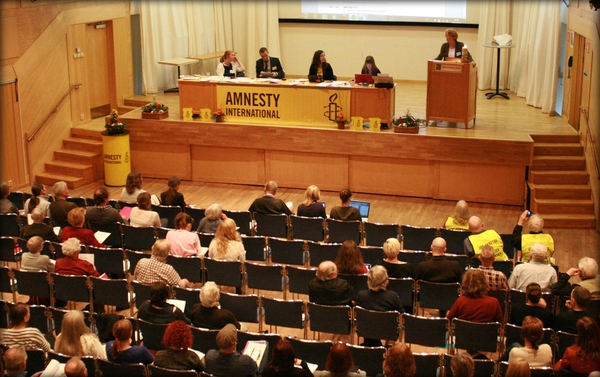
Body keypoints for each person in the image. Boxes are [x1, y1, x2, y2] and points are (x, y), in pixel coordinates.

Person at [356, 266, 404, 346]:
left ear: (369, 280)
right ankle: (389, 345)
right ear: (386, 281)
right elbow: (402, 315)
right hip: (388, 331)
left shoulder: (361, 295)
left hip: (367, 330)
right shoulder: (392, 296)